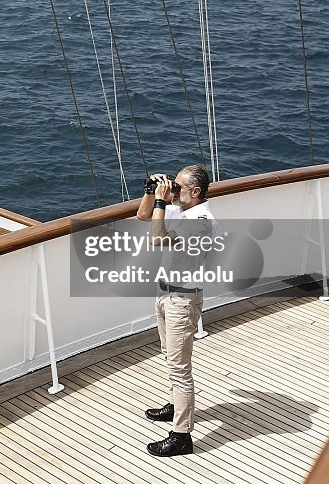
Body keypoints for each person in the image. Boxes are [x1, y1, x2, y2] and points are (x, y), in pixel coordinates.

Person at [135, 164, 215, 457]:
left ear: (195, 192)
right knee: (169, 356)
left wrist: (160, 200)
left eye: (179, 187)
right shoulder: (183, 210)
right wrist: (149, 194)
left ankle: (182, 436)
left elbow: (157, 238)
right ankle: (175, 405)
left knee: (180, 369)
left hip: (182, 300)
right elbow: (143, 216)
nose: (173, 190)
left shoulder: (201, 221)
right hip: (165, 293)